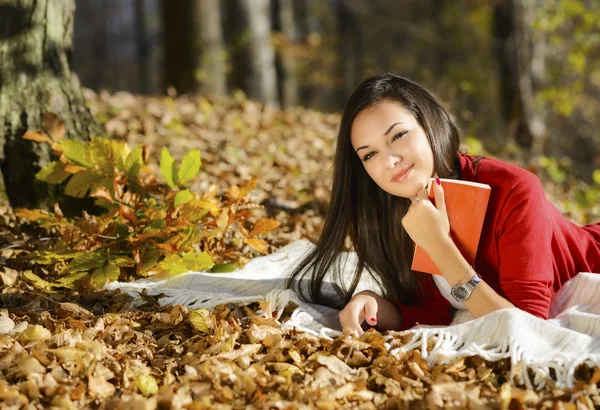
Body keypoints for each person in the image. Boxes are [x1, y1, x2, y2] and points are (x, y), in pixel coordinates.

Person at [285, 72, 600, 336]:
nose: (390, 160)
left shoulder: (513, 189)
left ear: (428, 123)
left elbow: (526, 329)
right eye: (369, 154)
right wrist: (372, 304)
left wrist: (437, 244)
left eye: (397, 136)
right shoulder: (402, 207)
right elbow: (436, 310)